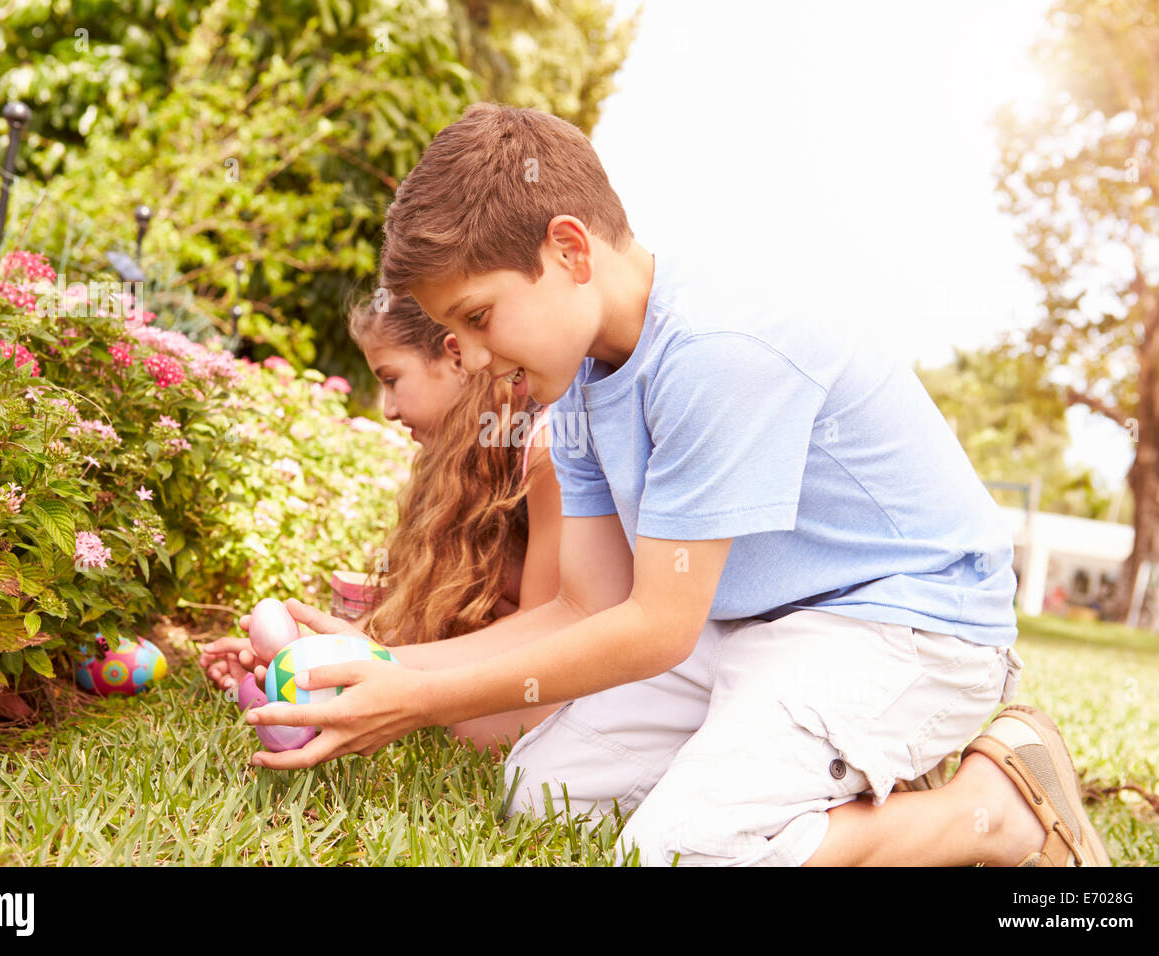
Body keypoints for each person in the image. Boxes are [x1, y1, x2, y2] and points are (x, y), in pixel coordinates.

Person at [243, 103, 1111, 868]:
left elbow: (657, 628)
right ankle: (818, 766)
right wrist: (383, 664)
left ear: (570, 251)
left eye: (476, 316)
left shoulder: (714, 350)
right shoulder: (577, 378)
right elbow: (590, 607)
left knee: (680, 856)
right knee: (543, 795)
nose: (466, 353)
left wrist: (417, 699)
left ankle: (995, 810)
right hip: (753, 628)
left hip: (903, 628)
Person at [199, 292, 563, 754]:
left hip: (575, 678)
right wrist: (308, 663)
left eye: (392, 379)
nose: (388, 408)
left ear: (455, 358)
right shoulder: (457, 469)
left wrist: (370, 666)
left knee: (474, 730)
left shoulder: (541, 450)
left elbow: (548, 626)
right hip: (517, 672)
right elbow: (438, 626)